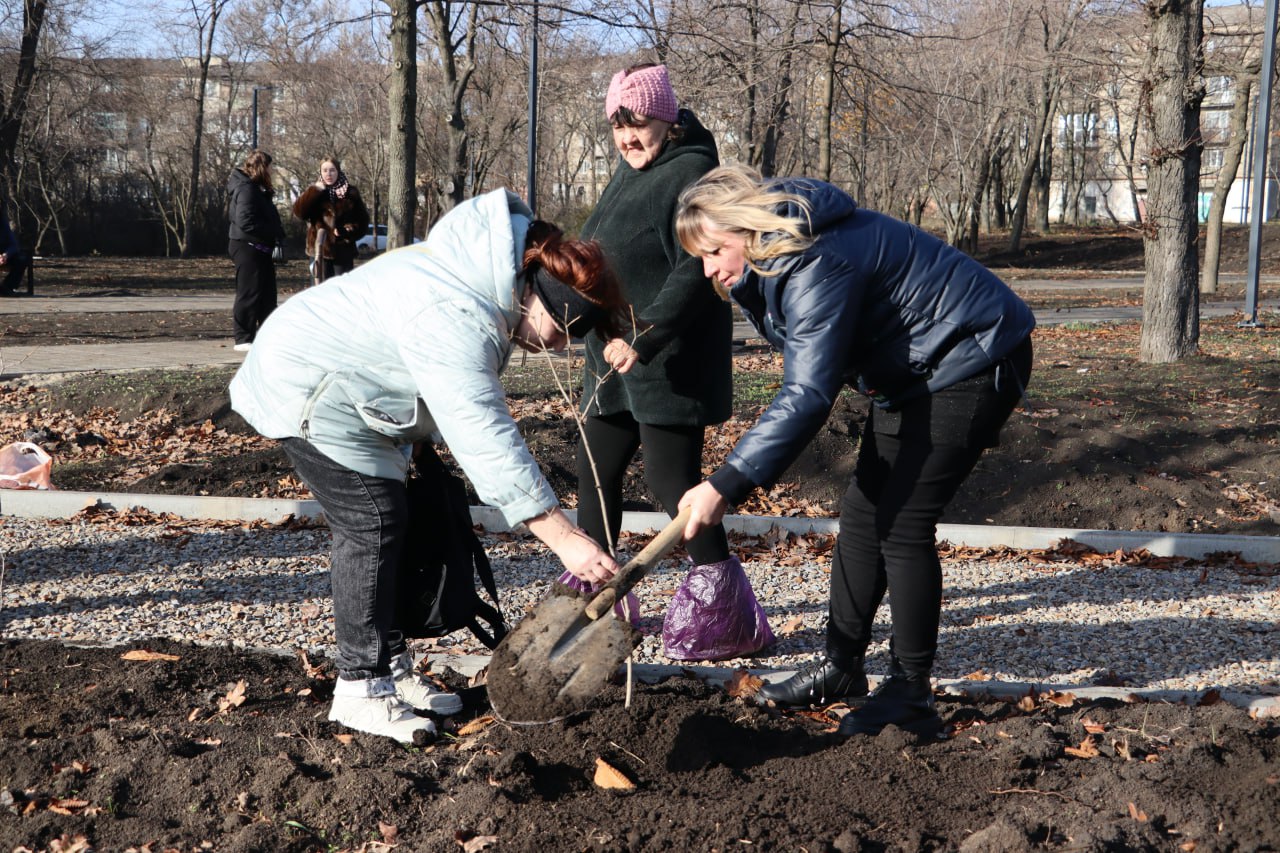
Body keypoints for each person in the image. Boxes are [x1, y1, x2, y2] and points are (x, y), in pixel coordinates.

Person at [230, 187, 629, 743]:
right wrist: (564, 539)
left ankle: (389, 669)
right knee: (372, 522)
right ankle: (360, 689)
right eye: (563, 330)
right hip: (302, 383)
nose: (561, 346)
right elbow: (484, 433)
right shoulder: (459, 312)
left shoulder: (484, 284)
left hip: (358, 393)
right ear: (538, 297)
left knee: (397, 519)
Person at [674, 163, 1035, 738]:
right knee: (864, 515)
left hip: (973, 356)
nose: (709, 269)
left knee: (903, 524)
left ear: (747, 228)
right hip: (913, 370)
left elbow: (808, 392)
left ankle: (910, 693)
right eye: (701, 257)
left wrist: (726, 482)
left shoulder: (812, 261)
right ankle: (840, 668)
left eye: (714, 251)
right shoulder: (776, 261)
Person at [575, 64, 771, 660]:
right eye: (617, 127)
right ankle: (598, 597)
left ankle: (724, 611)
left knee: (673, 484)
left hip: (665, 358)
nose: (626, 138)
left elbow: (694, 271)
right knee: (594, 468)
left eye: (636, 124)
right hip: (610, 355)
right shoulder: (629, 171)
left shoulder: (690, 172)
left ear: (666, 119)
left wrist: (645, 336)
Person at [227, 150, 284, 351]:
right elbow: (245, 221)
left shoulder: (257, 190)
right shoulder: (247, 190)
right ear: (262, 168)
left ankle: (266, 335)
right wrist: (272, 231)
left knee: (267, 295)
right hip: (248, 247)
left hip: (259, 248)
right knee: (249, 292)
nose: (272, 171)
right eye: (269, 167)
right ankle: (243, 338)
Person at [293, 156, 371, 284]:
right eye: (325, 170)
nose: (328, 174)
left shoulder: (351, 193)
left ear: (338, 171)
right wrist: (315, 190)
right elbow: (299, 213)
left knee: (341, 290)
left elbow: (363, 222)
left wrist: (347, 231)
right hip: (319, 251)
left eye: (332, 170)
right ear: (320, 172)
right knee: (320, 291)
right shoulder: (314, 192)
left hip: (343, 253)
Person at [0, 203, 31, 297]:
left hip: (3, 255)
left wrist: (6, 255)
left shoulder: (3, 224)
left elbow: (14, 245)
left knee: (22, 259)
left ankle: (7, 287)